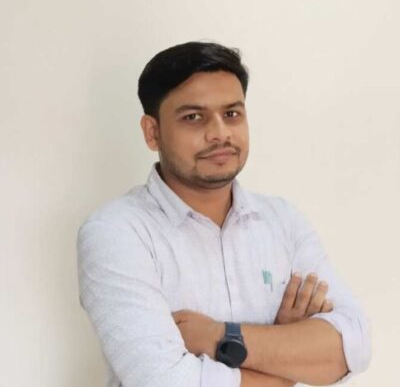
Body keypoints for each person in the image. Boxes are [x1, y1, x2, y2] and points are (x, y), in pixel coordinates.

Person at [77, 41, 371, 387]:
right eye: (193, 117)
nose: (219, 132)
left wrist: (219, 336)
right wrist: (286, 363)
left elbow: (354, 346)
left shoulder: (282, 221)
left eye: (232, 113)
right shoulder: (117, 232)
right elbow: (164, 382)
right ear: (152, 132)